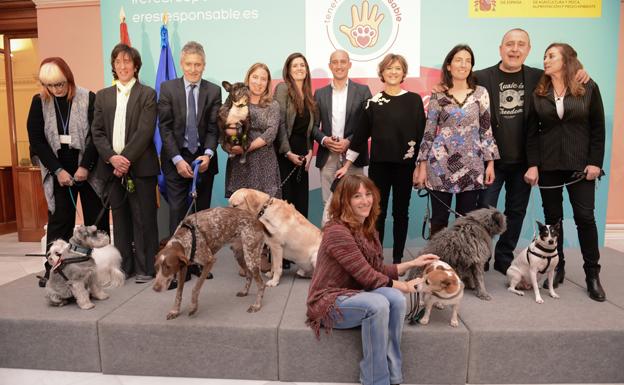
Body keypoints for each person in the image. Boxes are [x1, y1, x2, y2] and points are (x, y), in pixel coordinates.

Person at [473, 28, 589, 275]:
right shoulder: (480, 77)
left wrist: (580, 71)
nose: (515, 49)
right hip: (490, 161)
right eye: (510, 44)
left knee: (516, 212)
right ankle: (480, 259)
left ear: (528, 50)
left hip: (526, 161)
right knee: (484, 212)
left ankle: (504, 258)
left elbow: (566, 76)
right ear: (500, 48)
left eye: (521, 45)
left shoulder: (540, 77)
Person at [306, 174, 438, 385]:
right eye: (357, 196)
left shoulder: (367, 229)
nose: (365, 200)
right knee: (377, 304)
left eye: (368, 194)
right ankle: (376, 380)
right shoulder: (336, 232)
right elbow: (367, 276)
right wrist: (404, 285)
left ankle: (394, 376)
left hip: (354, 294)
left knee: (395, 299)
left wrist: (413, 264)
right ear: (345, 201)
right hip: (328, 301)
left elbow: (377, 269)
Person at [524, 43, 606, 302]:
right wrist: (533, 164)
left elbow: (598, 128)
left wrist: (595, 163)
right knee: (553, 218)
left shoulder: (588, 87)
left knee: (585, 217)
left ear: (567, 60)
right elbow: (531, 133)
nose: (546, 60)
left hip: (580, 166)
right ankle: (556, 266)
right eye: (545, 56)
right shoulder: (539, 90)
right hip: (549, 165)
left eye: (551, 56)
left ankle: (592, 274)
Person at [26, 57, 109, 288]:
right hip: (58, 169)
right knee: (60, 221)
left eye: (59, 85)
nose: (55, 90)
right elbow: (38, 141)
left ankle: (100, 270)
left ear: (69, 79)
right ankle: (54, 271)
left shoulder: (87, 97)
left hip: (87, 168)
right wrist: (58, 170)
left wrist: (85, 167)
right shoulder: (38, 102)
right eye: (50, 86)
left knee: (95, 221)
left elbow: (96, 135)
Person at [337, 53, 426, 263]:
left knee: (401, 213)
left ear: (403, 72)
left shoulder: (414, 100)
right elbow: (359, 139)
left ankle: (397, 259)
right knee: (377, 213)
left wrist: (421, 168)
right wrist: (347, 165)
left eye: (397, 68)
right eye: (389, 68)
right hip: (379, 167)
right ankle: (376, 256)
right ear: (382, 73)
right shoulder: (372, 103)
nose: (393, 72)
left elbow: (423, 138)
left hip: (405, 167)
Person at [415, 44, 499, 237]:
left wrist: (490, 163)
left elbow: (486, 130)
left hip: (472, 166)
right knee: (439, 220)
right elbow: (429, 132)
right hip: (439, 166)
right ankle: (436, 263)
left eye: (468, 61)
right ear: (449, 66)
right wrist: (421, 166)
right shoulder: (438, 94)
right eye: (459, 60)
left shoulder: (480, 93)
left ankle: (461, 265)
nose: (464, 64)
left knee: (466, 221)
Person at [91, 44, 159, 283]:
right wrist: (112, 158)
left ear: (136, 66)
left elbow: (145, 131)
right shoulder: (102, 96)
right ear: (113, 66)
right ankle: (125, 268)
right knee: (120, 221)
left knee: (144, 219)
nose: (123, 66)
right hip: (112, 170)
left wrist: (125, 159)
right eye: (118, 62)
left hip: (141, 168)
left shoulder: (147, 94)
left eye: (127, 62)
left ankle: (146, 268)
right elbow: (96, 132)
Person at [158, 41, 221, 235]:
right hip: (176, 158)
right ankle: (177, 262)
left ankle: (198, 263)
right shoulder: (168, 88)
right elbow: (165, 127)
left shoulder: (214, 91)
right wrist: (177, 160)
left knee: (201, 216)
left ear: (204, 65)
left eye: (198, 64)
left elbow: (213, 128)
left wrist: (208, 155)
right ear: (182, 64)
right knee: (177, 214)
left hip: (203, 160)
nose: (193, 69)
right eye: (189, 64)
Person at [313, 50, 372, 204]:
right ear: (330, 66)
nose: (339, 66)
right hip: (328, 158)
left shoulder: (363, 91)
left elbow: (368, 125)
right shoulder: (319, 94)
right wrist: (325, 140)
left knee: (357, 204)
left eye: (343, 62)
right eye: (335, 62)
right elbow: (312, 126)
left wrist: (349, 141)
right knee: (329, 206)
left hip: (353, 158)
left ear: (349, 64)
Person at [225, 62, 281, 199]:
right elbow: (224, 124)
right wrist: (228, 146)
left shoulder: (273, 105)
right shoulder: (234, 100)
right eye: (255, 77)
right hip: (240, 166)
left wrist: (245, 148)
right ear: (248, 78)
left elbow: (271, 133)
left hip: (264, 166)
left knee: (266, 214)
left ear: (268, 83)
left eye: (263, 79)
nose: (258, 82)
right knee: (240, 213)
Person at [274, 52, 318, 218]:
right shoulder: (283, 88)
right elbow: (280, 123)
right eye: (295, 65)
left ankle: (298, 244)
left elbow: (310, 129)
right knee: (286, 205)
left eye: (302, 65)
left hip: (302, 155)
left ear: (306, 69)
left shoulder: (308, 95)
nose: (299, 68)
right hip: (286, 153)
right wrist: (287, 152)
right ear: (288, 70)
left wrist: (309, 151)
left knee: (301, 203)